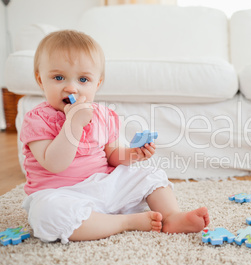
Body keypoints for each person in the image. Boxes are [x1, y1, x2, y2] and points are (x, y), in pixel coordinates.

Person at [20, 30, 209, 244]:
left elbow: (111, 155)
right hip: (62, 195)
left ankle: (172, 217)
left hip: (104, 185)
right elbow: (54, 164)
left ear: (97, 84)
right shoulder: (37, 119)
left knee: (149, 174)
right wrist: (73, 124)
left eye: (83, 79)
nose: (71, 87)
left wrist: (132, 154)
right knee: (47, 215)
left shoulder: (102, 115)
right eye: (58, 77)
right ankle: (126, 222)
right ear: (40, 80)